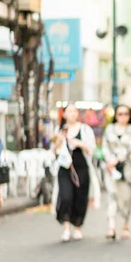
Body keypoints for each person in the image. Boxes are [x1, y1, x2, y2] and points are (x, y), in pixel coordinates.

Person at [51, 103, 100, 242]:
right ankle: (66, 228)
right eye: (69, 111)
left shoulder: (85, 129)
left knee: (80, 197)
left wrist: (78, 143)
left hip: (81, 168)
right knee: (65, 196)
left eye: (74, 111)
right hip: (65, 168)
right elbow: (54, 151)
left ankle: (77, 226)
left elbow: (91, 149)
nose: (72, 114)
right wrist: (59, 141)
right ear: (64, 114)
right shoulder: (59, 130)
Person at [102, 105, 131, 240]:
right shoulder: (109, 129)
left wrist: (117, 159)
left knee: (126, 198)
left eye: (126, 114)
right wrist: (109, 161)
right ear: (116, 116)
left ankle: (125, 225)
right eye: (120, 114)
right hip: (111, 169)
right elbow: (104, 147)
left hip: (127, 168)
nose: (123, 117)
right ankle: (111, 227)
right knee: (112, 196)